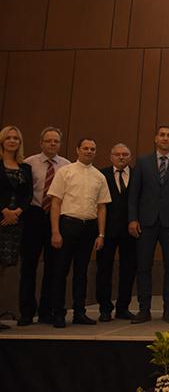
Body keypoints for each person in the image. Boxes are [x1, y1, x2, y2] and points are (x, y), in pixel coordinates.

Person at [128, 124, 169, 324]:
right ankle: (144, 309)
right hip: (145, 222)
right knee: (143, 267)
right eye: (162, 135)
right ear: (156, 138)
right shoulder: (143, 162)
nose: (165, 138)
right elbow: (134, 194)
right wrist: (132, 218)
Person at [49, 138, 111, 328]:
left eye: (92, 149)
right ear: (77, 150)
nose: (89, 151)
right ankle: (58, 313)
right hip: (68, 225)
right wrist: (55, 231)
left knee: (81, 272)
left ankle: (79, 312)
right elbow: (55, 203)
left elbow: (101, 207)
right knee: (61, 271)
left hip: (89, 227)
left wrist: (101, 234)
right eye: (85, 148)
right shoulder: (65, 172)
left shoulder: (99, 176)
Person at [18, 127, 69, 326]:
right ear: (41, 143)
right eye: (48, 141)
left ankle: (46, 311)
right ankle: (26, 312)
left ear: (60, 144)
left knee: (53, 267)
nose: (52, 144)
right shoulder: (28, 164)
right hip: (33, 216)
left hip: (56, 219)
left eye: (56, 141)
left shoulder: (66, 166)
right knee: (28, 266)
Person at [95, 143, 136, 321]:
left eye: (125, 154)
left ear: (130, 157)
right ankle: (105, 309)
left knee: (128, 270)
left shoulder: (136, 174)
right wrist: (100, 233)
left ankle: (123, 307)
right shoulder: (101, 175)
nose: (121, 157)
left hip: (130, 231)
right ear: (111, 157)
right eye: (117, 154)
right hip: (106, 231)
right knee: (104, 270)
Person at [0, 126, 33, 330]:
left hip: (15, 224)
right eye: (8, 138)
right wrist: (4, 211)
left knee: (2, 269)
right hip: (1, 218)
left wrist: (17, 212)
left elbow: (29, 194)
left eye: (16, 138)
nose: (12, 141)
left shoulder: (25, 167)